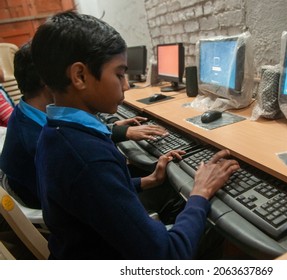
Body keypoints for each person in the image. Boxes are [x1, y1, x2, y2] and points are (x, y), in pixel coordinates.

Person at [31, 11, 239, 259]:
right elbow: (168, 256)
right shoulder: (87, 158)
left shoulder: (54, 131)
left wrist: (146, 181)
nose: (127, 85)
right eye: (119, 74)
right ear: (80, 76)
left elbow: (92, 194)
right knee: (222, 230)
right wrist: (200, 192)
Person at [0, 43, 168, 209]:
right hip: (79, 209)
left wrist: (117, 130)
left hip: (62, 196)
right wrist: (149, 181)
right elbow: (95, 191)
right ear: (47, 79)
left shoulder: (24, 114)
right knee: (171, 194)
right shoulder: (41, 142)